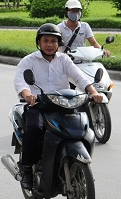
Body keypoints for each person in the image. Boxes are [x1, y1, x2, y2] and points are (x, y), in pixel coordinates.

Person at [14, 23, 104, 189]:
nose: (49, 44)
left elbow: (79, 78)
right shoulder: (29, 61)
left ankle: (75, 164)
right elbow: (20, 82)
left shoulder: (64, 60)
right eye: (45, 40)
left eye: (53, 41)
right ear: (39, 43)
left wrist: (93, 92)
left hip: (64, 104)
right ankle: (26, 168)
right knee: (33, 128)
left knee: (85, 129)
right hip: (38, 106)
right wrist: (28, 95)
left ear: (59, 43)